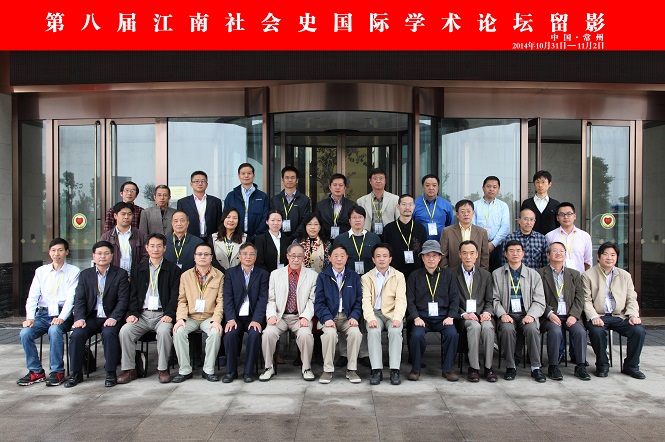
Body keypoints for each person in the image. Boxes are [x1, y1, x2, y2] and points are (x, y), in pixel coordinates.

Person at [117, 233, 182, 385]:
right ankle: (129, 369)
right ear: (146, 248)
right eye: (152, 246)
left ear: (165, 248)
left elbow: (175, 295)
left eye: (159, 246)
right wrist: (132, 313)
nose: (155, 249)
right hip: (142, 314)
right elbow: (132, 295)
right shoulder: (138, 269)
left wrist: (170, 313)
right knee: (125, 331)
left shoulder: (173, 269)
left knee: (164, 332)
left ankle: (163, 369)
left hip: (162, 314)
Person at [64, 241, 129, 388]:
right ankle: (76, 373)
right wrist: (79, 318)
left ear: (112, 255)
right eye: (99, 253)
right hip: (91, 317)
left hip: (111, 316)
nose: (102, 256)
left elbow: (123, 300)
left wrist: (114, 317)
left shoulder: (120, 274)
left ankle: (110, 372)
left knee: (109, 333)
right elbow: (79, 299)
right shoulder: (85, 275)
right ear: (93, 256)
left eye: (106, 253)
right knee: (76, 334)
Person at [18, 238, 80, 387]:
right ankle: (36, 371)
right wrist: (30, 318)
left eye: (60, 250)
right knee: (25, 333)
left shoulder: (74, 271)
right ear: (49, 252)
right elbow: (32, 296)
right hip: (43, 314)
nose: (56, 254)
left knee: (54, 330)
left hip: (63, 314)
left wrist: (61, 317)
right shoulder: (41, 271)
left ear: (66, 252)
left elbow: (71, 299)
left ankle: (57, 371)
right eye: (53, 250)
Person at [583, 242, 646, 379]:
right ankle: (602, 365)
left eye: (613, 255)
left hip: (620, 316)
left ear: (617, 257)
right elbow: (586, 300)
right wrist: (593, 316)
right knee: (596, 331)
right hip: (599, 315)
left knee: (638, 331)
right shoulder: (588, 275)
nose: (609, 258)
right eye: (605, 254)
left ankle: (631, 366)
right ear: (598, 257)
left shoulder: (625, 275)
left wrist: (633, 315)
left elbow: (631, 298)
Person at [260, 243, 317, 382]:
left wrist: (306, 316)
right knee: (268, 333)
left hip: (299, 316)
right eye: (293, 256)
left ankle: (307, 368)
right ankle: (268, 367)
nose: (296, 259)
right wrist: (271, 315)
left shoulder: (312, 275)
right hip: (280, 316)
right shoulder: (275, 274)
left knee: (306, 335)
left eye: (299, 256)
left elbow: (312, 300)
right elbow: (271, 299)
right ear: (287, 256)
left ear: (304, 257)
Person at [492, 240, 546, 382]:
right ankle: (511, 366)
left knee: (532, 329)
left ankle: (535, 367)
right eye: (511, 251)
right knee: (507, 329)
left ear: (523, 254)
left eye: (518, 251)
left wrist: (531, 315)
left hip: (526, 314)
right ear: (505, 254)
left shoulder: (533, 275)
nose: (515, 254)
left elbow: (539, 301)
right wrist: (502, 314)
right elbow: (494, 299)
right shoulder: (497, 274)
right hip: (507, 314)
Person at [406, 240, 460, 382]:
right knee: (416, 335)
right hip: (422, 317)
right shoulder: (414, 276)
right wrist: (416, 317)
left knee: (452, 334)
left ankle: (447, 369)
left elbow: (455, 298)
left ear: (440, 258)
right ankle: (415, 369)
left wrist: (451, 316)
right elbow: (409, 300)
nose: (431, 259)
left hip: (443, 317)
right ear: (422, 257)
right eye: (427, 255)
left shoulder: (448, 276)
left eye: (434, 255)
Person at [172, 242, 224, 383]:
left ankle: (208, 370)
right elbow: (182, 300)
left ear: (211, 257)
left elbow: (220, 302)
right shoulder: (185, 276)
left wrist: (216, 321)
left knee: (215, 332)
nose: (202, 257)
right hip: (190, 317)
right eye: (199, 254)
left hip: (209, 317)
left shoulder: (219, 276)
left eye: (206, 254)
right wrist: (181, 319)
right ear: (194, 257)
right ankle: (185, 370)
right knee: (178, 332)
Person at [538, 241, 590, 381]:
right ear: (548, 255)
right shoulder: (540, 274)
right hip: (550, 316)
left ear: (565, 255)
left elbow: (580, 297)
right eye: (555, 251)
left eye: (561, 251)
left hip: (570, 315)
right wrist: (549, 313)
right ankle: (553, 366)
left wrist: (574, 315)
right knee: (555, 331)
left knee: (580, 331)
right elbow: (537, 297)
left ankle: (580, 366)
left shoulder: (574, 274)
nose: (558, 253)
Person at [314, 244, 363, 384]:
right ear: (329, 258)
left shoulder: (353, 276)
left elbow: (359, 300)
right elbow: (319, 302)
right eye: (335, 256)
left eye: (342, 256)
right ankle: (327, 370)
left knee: (355, 333)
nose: (339, 259)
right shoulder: (323, 276)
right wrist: (326, 318)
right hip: (330, 317)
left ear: (347, 258)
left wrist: (354, 316)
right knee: (329, 334)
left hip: (348, 317)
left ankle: (352, 369)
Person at [222, 242, 269, 383]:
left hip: (253, 317)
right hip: (235, 317)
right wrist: (230, 318)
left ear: (256, 257)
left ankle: (248, 372)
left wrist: (257, 320)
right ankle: (231, 371)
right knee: (230, 334)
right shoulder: (230, 273)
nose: (248, 257)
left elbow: (263, 299)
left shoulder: (263, 274)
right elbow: (228, 298)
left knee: (254, 334)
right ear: (239, 256)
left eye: (251, 254)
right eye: (245, 254)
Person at [452, 240, 497, 382]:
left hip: (482, 315)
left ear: (477, 255)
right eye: (465, 253)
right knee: (474, 327)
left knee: (488, 327)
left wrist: (487, 313)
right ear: (459, 254)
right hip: (464, 317)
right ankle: (474, 368)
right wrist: (464, 314)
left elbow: (489, 301)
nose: (468, 257)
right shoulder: (451, 274)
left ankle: (488, 367)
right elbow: (450, 301)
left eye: (472, 253)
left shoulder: (485, 275)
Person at [361, 243, 406, 385]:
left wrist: (398, 318)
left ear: (390, 259)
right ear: (373, 259)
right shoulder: (366, 277)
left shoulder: (399, 276)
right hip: (375, 313)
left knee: (395, 331)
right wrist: (370, 318)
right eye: (378, 256)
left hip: (392, 313)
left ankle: (395, 370)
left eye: (385, 256)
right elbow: (366, 300)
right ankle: (376, 370)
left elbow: (401, 300)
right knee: (373, 331)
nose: (382, 259)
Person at [383, 194, 427, 281]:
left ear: (414, 207)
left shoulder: (420, 228)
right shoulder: (389, 228)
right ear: (398, 206)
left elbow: (424, 251)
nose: (407, 207)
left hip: (417, 272)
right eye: (404, 204)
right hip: (394, 272)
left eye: (410, 204)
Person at [224, 163, 270, 242]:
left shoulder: (263, 196)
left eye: (249, 173)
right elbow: (226, 217)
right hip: (235, 238)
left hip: (257, 238)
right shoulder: (231, 196)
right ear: (239, 176)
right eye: (243, 173)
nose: (246, 176)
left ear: (253, 176)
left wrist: (256, 236)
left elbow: (265, 218)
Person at [473, 176, 511, 272]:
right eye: (488, 186)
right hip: (478, 245)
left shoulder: (503, 206)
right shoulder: (475, 205)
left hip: (497, 246)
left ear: (498, 189)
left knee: (496, 273)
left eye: (494, 187)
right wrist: (483, 243)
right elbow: (472, 226)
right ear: (483, 188)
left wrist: (493, 244)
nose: (491, 189)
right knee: (479, 273)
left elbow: (505, 227)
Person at [100, 201, 148, 275]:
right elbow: (102, 257)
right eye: (123, 214)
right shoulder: (106, 237)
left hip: (136, 277)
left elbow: (146, 255)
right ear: (115, 216)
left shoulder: (141, 236)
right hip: (114, 277)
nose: (126, 217)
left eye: (129, 214)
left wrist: (137, 273)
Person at [440, 199, 489, 270]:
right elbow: (443, 255)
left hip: (475, 273)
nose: (466, 214)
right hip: (453, 272)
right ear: (457, 214)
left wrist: (481, 273)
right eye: (462, 212)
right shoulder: (447, 231)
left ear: (473, 213)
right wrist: (447, 273)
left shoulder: (482, 232)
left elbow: (485, 257)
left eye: (468, 211)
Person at [176, 171, 224, 244]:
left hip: (211, 239)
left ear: (207, 184)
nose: (200, 183)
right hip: (190, 239)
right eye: (196, 181)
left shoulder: (216, 201)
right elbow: (180, 222)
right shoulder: (183, 202)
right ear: (191, 184)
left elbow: (219, 222)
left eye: (203, 181)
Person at [331, 206, 381, 275]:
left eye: (360, 217)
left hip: (370, 277)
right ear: (349, 220)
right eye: (354, 217)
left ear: (364, 220)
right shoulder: (340, 239)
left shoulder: (374, 238)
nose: (357, 220)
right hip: (347, 277)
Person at [545, 202, 592, 274]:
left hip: (579, 277)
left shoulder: (585, 236)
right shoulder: (550, 236)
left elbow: (588, 262)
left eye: (569, 214)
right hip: (556, 277)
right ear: (557, 218)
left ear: (574, 216)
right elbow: (547, 260)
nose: (566, 217)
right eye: (562, 214)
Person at [269, 166, 311, 242]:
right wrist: (280, 235)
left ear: (297, 180)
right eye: (287, 177)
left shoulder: (305, 200)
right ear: (282, 180)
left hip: (298, 239)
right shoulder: (275, 200)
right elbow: (272, 219)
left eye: (292, 177)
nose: (290, 180)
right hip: (278, 238)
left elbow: (305, 221)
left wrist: (294, 237)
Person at [355, 167, 399, 236]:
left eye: (381, 178)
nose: (378, 181)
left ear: (385, 181)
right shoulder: (361, 201)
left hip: (389, 237)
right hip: (368, 237)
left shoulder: (395, 199)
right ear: (370, 181)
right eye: (375, 178)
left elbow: (398, 219)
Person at [314, 173, 355, 240]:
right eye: (335, 185)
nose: (337, 187)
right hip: (325, 240)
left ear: (345, 188)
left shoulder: (352, 205)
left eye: (340, 185)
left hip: (346, 240)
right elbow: (316, 224)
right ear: (330, 187)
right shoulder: (320, 205)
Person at [413, 174, 454, 241]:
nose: (431, 188)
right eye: (427, 185)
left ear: (438, 187)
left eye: (434, 185)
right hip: (420, 242)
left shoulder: (446, 204)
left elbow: (450, 226)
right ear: (423, 187)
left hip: (441, 242)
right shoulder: (414, 204)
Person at [521, 170, 560, 235]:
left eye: (543, 182)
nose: (540, 185)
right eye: (537, 182)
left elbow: (558, 224)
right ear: (534, 184)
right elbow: (522, 222)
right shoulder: (527, 203)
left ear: (550, 184)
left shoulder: (555, 204)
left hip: (551, 239)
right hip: (531, 239)